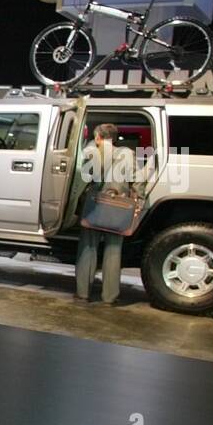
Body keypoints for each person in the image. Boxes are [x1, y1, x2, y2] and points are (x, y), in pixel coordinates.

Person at [75, 123, 136, 304]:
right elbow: (136, 180)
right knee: (114, 250)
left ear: (98, 137)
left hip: (95, 205)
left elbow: (80, 177)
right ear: (114, 138)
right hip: (118, 206)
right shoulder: (127, 153)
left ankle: (83, 293)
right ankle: (110, 297)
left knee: (88, 248)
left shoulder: (91, 152)